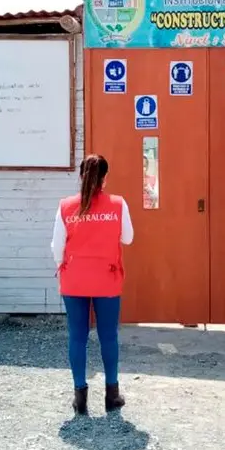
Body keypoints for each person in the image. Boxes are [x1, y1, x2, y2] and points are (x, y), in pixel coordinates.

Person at [50, 154, 134, 415]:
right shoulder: (118, 205)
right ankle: (112, 395)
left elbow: (56, 248)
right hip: (106, 279)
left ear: (81, 176)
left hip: (74, 280)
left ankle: (80, 398)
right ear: (105, 178)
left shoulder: (66, 206)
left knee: (78, 336)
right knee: (108, 336)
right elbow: (128, 239)